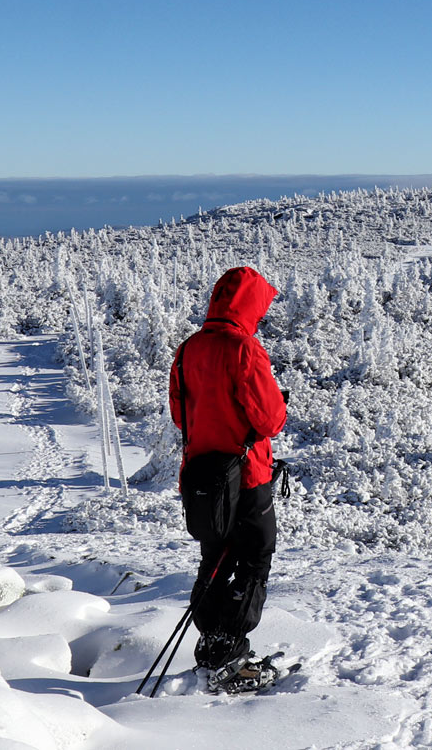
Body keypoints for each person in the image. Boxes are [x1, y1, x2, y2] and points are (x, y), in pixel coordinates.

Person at [168, 266, 287, 678]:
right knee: (254, 558)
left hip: (201, 475)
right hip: (248, 474)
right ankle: (230, 653)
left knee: (214, 558)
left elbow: (179, 415)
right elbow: (271, 420)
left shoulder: (188, 349)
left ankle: (210, 643)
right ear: (250, 306)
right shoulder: (245, 349)